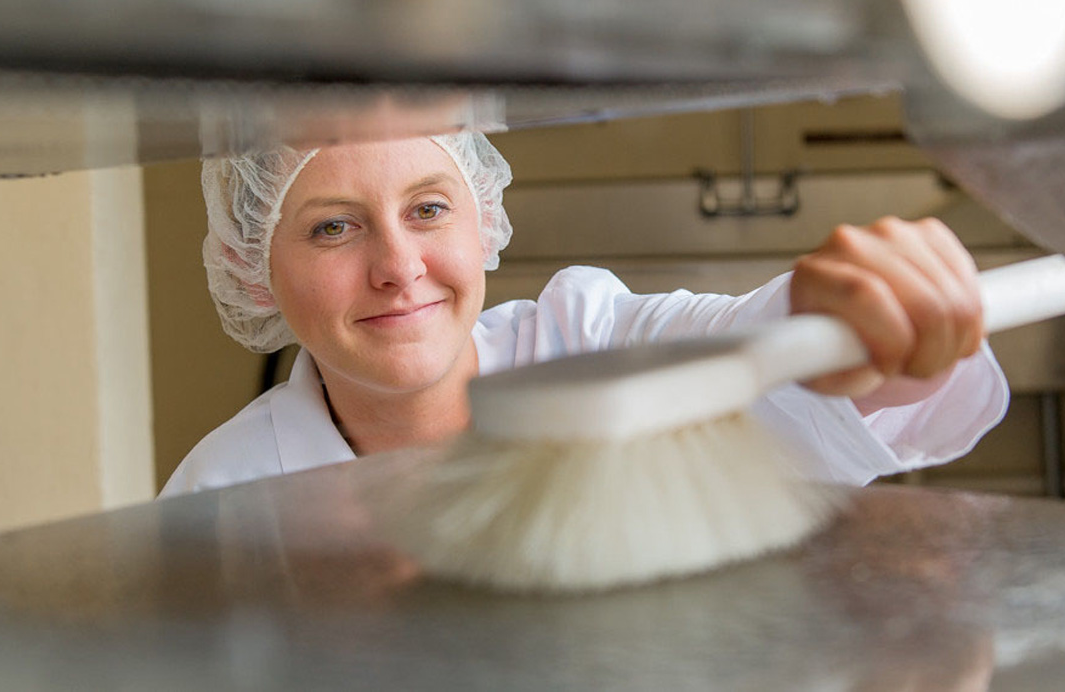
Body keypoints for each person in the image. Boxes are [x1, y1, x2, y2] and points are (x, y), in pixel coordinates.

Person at [160, 132, 1007, 496]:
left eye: (427, 209)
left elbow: (744, 354)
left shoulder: (584, 341)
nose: (398, 267)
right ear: (255, 269)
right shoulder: (224, 493)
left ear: (481, 215)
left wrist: (850, 334)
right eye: (333, 227)